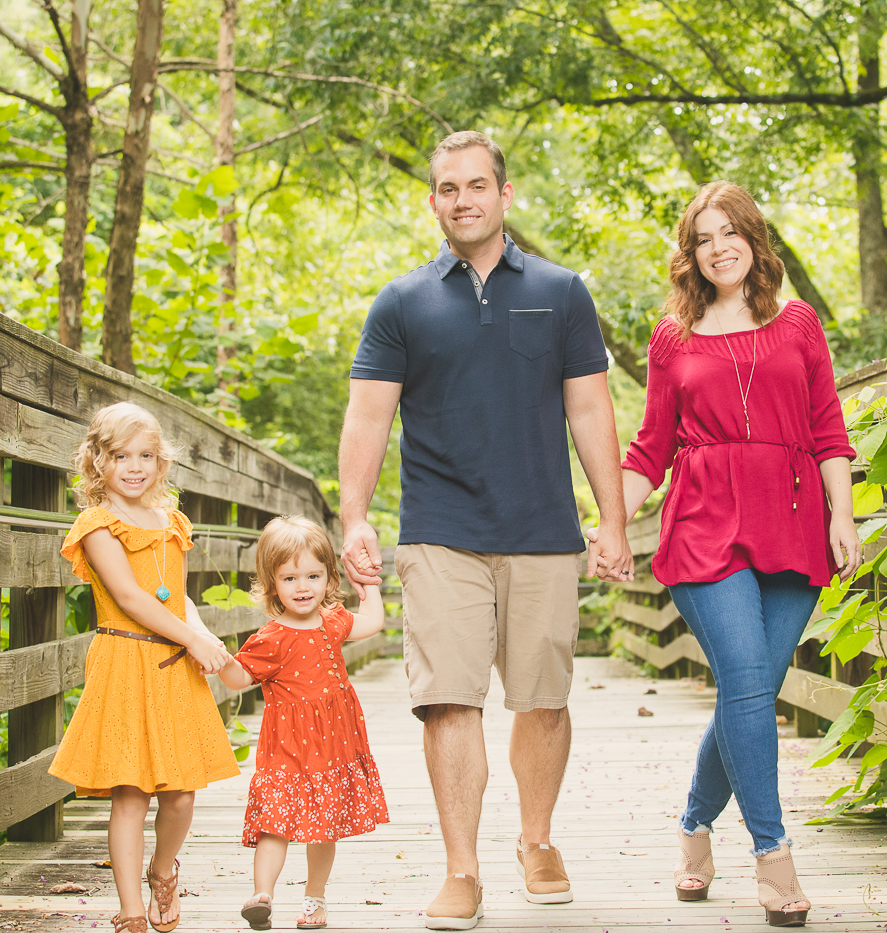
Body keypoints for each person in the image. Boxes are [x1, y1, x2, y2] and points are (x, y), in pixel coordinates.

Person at [338, 130, 633, 930]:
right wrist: (355, 516)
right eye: (447, 188)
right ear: (433, 200)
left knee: (542, 697)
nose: (461, 198)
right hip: (440, 529)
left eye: (476, 185)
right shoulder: (402, 302)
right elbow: (368, 416)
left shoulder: (564, 290)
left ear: (505, 195)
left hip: (543, 527)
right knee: (448, 700)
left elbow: (589, 406)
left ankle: (537, 841)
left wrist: (612, 519)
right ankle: (461, 868)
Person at [587, 182, 861, 928]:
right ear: (691, 252)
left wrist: (846, 513)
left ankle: (693, 824)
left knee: (750, 691)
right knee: (745, 682)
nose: (717, 247)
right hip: (705, 525)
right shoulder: (672, 336)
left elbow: (829, 426)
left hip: (795, 521)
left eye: (728, 232)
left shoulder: (799, 323)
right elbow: (652, 444)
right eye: (702, 237)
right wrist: (612, 524)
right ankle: (773, 856)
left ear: (753, 238)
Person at [50, 402, 240, 933]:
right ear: (97, 461)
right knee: (130, 790)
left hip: (174, 664)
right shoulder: (96, 524)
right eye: (120, 456)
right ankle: (130, 909)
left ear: (161, 463)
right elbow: (133, 598)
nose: (135, 467)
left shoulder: (170, 521)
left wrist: (203, 640)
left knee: (180, 793)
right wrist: (189, 638)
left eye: (147, 456)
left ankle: (163, 869)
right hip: (125, 661)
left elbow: (176, 598)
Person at [219, 517, 390, 931]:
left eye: (313, 575)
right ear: (271, 582)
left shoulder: (332, 623)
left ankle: (315, 900)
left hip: (333, 748)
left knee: (322, 828)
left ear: (329, 578)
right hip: (287, 750)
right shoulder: (270, 638)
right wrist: (218, 656)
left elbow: (374, 621)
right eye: (290, 577)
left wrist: (368, 582)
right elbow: (239, 677)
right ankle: (263, 894)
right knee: (273, 824)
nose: (302, 587)